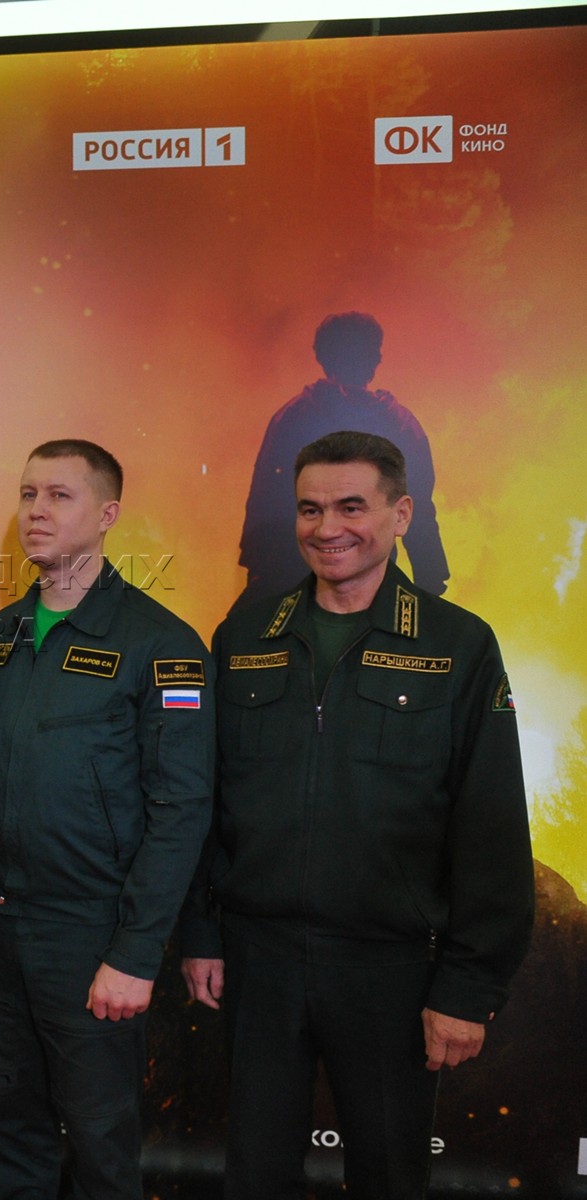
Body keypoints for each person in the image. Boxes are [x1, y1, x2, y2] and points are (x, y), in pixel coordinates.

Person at [181, 431, 534, 1199]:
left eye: (350, 507)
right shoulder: (243, 637)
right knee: (254, 1176)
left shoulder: (458, 644)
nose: (326, 527)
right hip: (259, 961)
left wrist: (466, 987)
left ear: (400, 514)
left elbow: (491, 826)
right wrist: (202, 932)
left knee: (388, 1178)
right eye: (309, 509)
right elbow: (207, 801)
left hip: (390, 970)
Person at [0, 440, 214, 1199]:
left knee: (98, 1140)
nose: (36, 511)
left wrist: (135, 951)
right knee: (9, 1125)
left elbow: (182, 808)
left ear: (107, 514)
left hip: (91, 933)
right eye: (28, 494)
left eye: (59, 495)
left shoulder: (161, 644)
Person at [238, 312, 448, 602]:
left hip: (291, 573)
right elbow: (419, 507)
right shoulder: (399, 423)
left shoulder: (293, 417)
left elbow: (264, 500)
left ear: (322, 356)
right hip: (360, 580)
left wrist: (259, 569)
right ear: (375, 358)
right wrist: (430, 576)